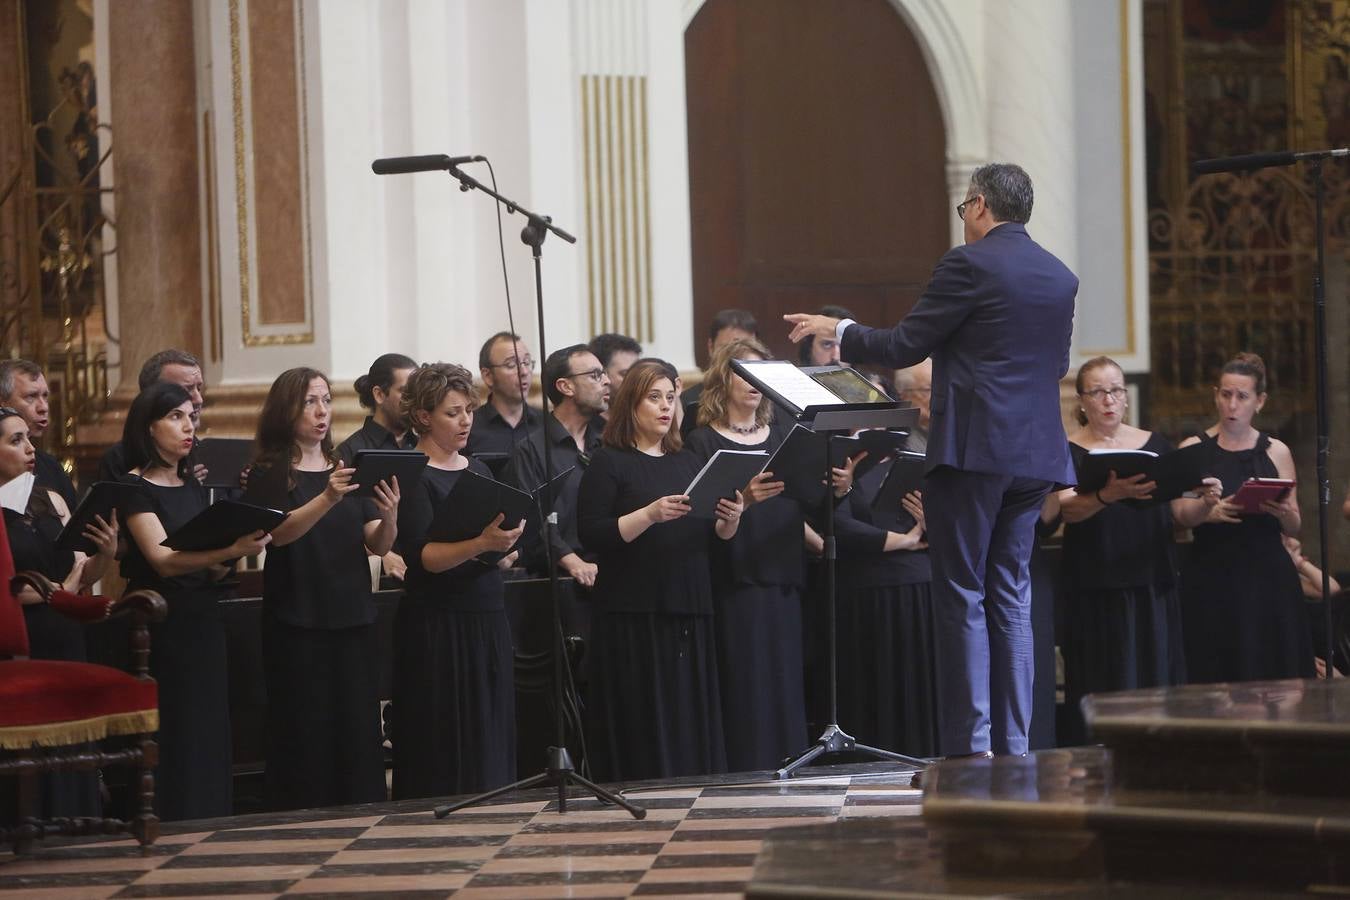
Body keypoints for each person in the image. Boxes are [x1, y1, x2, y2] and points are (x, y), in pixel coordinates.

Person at [785, 162, 1078, 759]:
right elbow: (1057, 368)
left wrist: (838, 328)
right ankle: (1015, 743)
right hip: (1036, 453)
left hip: (976, 451)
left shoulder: (967, 263)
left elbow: (902, 346)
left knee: (963, 591)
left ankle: (972, 748)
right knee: (1012, 591)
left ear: (977, 206)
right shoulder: (1059, 275)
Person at [577, 359, 744, 780]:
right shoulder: (609, 461)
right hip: (634, 608)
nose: (665, 407)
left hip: (689, 598)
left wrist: (731, 519)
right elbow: (593, 535)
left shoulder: (687, 460)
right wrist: (648, 515)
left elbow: (712, 536)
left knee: (687, 705)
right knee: (644, 707)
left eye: (670, 397)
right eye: (654, 397)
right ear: (631, 402)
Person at [118, 381, 271, 820]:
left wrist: (238, 552)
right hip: (159, 621)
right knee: (175, 725)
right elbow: (163, 559)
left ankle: (210, 814)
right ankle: (168, 816)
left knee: (207, 724)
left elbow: (207, 560)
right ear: (149, 428)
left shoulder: (191, 484)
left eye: (191, 417)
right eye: (175, 417)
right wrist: (228, 552)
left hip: (203, 615)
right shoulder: (134, 486)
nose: (189, 426)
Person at [250, 368, 400, 811]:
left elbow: (377, 543)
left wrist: (390, 514)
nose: (321, 412)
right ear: (286, 410)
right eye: (309, 402)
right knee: (305, 720)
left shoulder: (345, 468)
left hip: (351, 609)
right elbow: (279, 535)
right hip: (297, 612)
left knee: (356, 719)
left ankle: (360, 806)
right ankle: (303, 810)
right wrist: (328, 498)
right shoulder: (269, 470)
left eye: (325, 401)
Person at [393, 363, 520, 797]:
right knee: (446, 727)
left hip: (485, 613)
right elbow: (425, 558)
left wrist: (502, 549)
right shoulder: (413, 474)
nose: (466, 420)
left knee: (489, 720)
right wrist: (483, 543)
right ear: (424, 417)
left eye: (468, 410)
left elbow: (484, 545)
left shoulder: (479, 470)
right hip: (439, 621)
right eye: (453, 412)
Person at [685, 337, 809, 771]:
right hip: (734, 572)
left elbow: (806, 499)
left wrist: (840, 486)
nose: (755, 383)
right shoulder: (700, 441)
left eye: (762, 374)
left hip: (782, 566)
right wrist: (745, 499)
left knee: (784, 672)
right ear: (723, 379)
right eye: (744, 372)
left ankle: (790, 758)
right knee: (745, 673)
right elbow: (699, 511)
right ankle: (748, 762)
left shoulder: (784, 435)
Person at [1055, 357, 1191, 743]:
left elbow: (1179, 510)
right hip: (1094, 578)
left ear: (1126, 397)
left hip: (1151, 573)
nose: (1108, 400)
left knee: (1153, 671)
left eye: (1115, 390)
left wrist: (1207, 501)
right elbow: (1065, 509)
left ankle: (1160, 751)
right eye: (1097, 392)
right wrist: (1106, 494)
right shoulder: (1068, 450)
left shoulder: (1155, 445)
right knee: (1103, 674)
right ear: (1082, 401)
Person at [0, 406, 118, 818]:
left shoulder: (48, 496)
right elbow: (6, 588)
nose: (30, 448)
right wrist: (61, 591)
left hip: (66, 628)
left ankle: (79, 816)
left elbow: (82, 567)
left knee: (73, 728)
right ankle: (32, 820)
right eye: (15, 441)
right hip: (24, 636)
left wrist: (105, 554)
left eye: (28, 439)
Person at [1171, 352, 1314, 683]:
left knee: (1274, 667)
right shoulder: (1193, 447)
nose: (1232, 405)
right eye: (1225, 394)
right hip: (1213, 571)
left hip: (1267, 573)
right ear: (1216, 395)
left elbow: (1296, 526)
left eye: (1242, 396)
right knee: (1216, 667)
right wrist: (1208, 510)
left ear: (1259, 401)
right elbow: (1179, 515)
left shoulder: (1276, 451)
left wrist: (1286, 512)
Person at [832, 451, 936, 757]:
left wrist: (932, 521)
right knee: (872, 684)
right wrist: (900, 540)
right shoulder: (833, 454)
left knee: (916, 680)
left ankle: (922, 752)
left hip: (917, 582)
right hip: (863, 586)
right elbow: (836, 524)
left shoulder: (910, 460)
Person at [502, 344, 609, 585]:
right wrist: (570, 560)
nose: (607, 381)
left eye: (604, 373)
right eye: (595, 375)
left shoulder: (606, 443)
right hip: (555, 578)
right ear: (565, 386)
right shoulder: (531, 450)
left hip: (607, 571)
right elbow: (530, 520)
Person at [337, 352, 418, 582]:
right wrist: (382, 554)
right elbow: (344, 525)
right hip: (378, 574)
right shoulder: (350, 451)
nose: (414, 400)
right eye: (405, 392)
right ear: (379, 394)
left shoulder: (423, 444)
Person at [98, 349, 207, 483]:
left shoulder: (206, 452)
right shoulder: (118, 460)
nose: (199, 399)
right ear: (152, 396)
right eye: (186, 390)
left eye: (199, 388)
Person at [0, 360, 77, 508]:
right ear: (3, 402)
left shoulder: (50, 466)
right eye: (31, 396)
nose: (43, 407)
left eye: (45, 396)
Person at [465, 332, 539, 467]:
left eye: (527, 363)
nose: (524, 372)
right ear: (487, 376)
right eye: (511, 365)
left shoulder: (547, 425)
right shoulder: (468, 426)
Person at [680, 309, 758, 436]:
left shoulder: (770, 399)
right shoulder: (688, 401)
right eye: (726, 349)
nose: (735, 359)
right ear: (711, 347)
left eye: (744, 349)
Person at [588, 333, 643, 419]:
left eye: (637, 374)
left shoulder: (643, 422)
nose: (635, 381)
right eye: (625, 374)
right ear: (599, 375)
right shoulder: (580, 428)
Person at [893, 359, 933, 453]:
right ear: (904, 395)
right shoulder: (898, 440)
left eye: (939, 390)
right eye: (928, 390)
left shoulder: (948, 432)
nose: (937, 398)